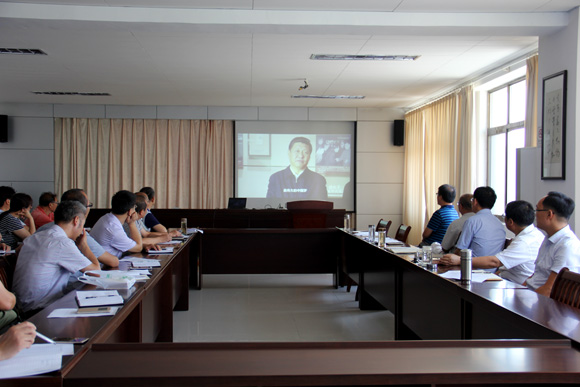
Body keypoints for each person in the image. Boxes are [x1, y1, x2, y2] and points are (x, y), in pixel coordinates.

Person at [13, 201, 101, 314]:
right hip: (40, 310)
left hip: (22, 306)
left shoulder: (36, 237)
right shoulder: (61, 242)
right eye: (83, 224)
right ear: (76, 220)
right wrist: (83, 245)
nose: (82, 229)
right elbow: (96, 272)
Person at [440, 200, 544, 285]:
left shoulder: (524, 242)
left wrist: (460, 260)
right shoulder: (534, 234)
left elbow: (495, 262)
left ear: (510, 222)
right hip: (502, 279)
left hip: (515, 287)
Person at [36, 188, 119, 268]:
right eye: (89, 205)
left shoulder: (42, 229)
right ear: (82, 209)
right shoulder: (78, 234)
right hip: (74, 281)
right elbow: (113, 262)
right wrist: (84, 246)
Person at [524, 192, 580, 297]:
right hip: (531, 295)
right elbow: (536, 276)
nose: (535, 214)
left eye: (537, 210)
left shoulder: (567, 246)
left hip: (543, 304)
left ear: (549, 214)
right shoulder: (549, 238)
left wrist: (523, 300)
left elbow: (549, 290)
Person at [454, 186, 505, 257]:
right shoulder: (499, 223)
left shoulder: (472, 221)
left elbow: (461, 250)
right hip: (494, 266)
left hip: (473, 266)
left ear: (475, 202)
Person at [90, 190, 143, 258]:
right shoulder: (114, 229)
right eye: (134, 207)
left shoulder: (107, 218)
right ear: (130, 211)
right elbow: (138, 247)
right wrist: (132, 223)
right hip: (106, 267)